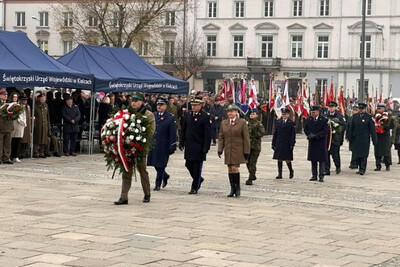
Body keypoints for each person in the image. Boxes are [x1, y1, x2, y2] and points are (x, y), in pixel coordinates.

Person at [114, 92, 155, 205]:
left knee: (142, 170)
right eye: (132, 101)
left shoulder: (148, 114)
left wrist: (138, 141)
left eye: (136, 101)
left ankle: (147, 193)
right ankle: (124, 197)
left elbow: (150, 132)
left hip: (140, 147)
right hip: (127, 147)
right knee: (126, 171)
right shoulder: (127, 113)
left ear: (142, 102)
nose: (134, 103)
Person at [179, 96, 212, 194]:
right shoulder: (188, 115)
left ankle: (194, 187)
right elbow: (184, 129)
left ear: (201, 106)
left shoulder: (205, 116)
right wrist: (181, 142)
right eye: (192, 105)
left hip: (199, 145)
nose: (193, 107)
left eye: (196, 105)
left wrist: (206, 147)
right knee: (188, 164)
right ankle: (198, 179)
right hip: (189, 145)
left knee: (197, 167)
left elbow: (207, 133)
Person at [218, 105, 250, 197]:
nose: (230, 113)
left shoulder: (242, 122)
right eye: (228, 112)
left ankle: (237, 187)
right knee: (229, 168)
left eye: (232, 112)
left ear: (236, 112)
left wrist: (246, 151)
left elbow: (246, 137)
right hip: (228, 149)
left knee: (234, 168)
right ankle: (232, 188)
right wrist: (220, 149)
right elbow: (221, 137)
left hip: (238, 149)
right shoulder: (224, 123)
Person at [147, 97, 177, 191]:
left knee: (161, 164)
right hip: (154, 143)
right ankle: (165, 175)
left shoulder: (170, 117)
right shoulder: (153, 115)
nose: (159, 107)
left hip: (163, 144)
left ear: (165, 106)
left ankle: (157, 184)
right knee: (155, 163)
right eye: (157, 105)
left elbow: (173, 133)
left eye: (161, 105)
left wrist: (173, 144)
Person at [347, 103, 377, 175]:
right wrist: (349, 137)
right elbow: (351, 128)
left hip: (364, 139)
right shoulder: (355, 116)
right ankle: (359, 167)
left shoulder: (368, 117)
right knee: (357, 154)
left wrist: (374, 139)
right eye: (359, 109)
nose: (360, 110)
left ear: (364, 109)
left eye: (362, 109)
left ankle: (362, 169)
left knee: (363, 155)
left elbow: (372, 129)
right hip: (356, 139)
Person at [304, 106, 328, 182]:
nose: (313, 114)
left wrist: (316, 136)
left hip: (320, 142)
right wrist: (309, 135)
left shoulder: (323, 120)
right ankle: (314, 175)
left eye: (314, 112)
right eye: (312, 113)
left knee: (321, 160)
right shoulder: (309, 119)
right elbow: (306, 129)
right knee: (313, 160)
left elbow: (325, 131)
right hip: (312, 142)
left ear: (318, 112)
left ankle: (321, 176)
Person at [272, 108, 296, 179]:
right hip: (279, 142)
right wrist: (273, 143)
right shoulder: (278, 122)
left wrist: (292, 144)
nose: (284, 115)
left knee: (287, 159)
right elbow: (275, 133)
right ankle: (280, 174)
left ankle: (291, 170)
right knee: (279, 158)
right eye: (283, 114)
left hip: (287, 143)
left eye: (285, 114)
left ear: (288, 115)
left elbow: (292, 135)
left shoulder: (291, 123)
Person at [324, 101, 346, 175]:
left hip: (335, 139)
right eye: (329, 107)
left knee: (335, 154)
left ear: (335, 107)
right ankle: (326, 169)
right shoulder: (325, 115)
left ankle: (337, 166)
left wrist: (337, 129)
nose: (331, 108)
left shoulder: (339, 116)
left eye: (332, 107)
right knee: (326, 154)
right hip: (327, 139)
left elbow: (343, 126)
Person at [373, 103, 396, 171]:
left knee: (386, 152)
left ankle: (387, 165)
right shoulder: (375, 116)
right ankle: (378, 165)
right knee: (377, 151)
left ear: (384, 108)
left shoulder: (388, 116)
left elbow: (392, 125)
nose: (378, 110)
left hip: (385, 136)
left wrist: (384, 126)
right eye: (378, 108)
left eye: (380, 108)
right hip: (377, 136)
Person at [245, 108, 265, 185]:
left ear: (257, 115)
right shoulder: (247, 123)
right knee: (247, 161)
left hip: (255, 146)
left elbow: (261, 133)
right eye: (251, 114)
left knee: (252, 162)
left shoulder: (259, 124)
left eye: (253, 114)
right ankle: (252, 174)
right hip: (248, 146)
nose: (251, 115)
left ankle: (250, 178)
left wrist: (254, 133)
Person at [10, 92, 26, 163]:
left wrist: (24, 123)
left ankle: (16, 155)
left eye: (16, 97)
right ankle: (12, 155)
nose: (15, 99)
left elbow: (23, 115)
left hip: (20, 125)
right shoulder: (10, 105)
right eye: (14, 97)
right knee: (13, 141)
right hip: (15, 124)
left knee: (18, 141)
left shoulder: (20, 106)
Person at [33, 93, 50, 158]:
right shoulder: (36, 105)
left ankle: (41, 151)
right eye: (42, 98)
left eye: (44, 98)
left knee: (44, 138)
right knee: (38, 138)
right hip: (38, 124)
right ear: (39, 98)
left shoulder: (46, 105)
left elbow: (47, 116)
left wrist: (48, 125)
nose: (43, 99)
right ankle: (36, 151)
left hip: (44, 124)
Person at [0, 88, 14, 164]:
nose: (5, 96)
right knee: (0, 143)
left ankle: (6, 157)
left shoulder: (9, 103)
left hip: (8, 126)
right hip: (1, 126)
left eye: (6, 95)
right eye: (4, 95)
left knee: (7, 143)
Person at [346, 104, 359, 169]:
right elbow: (348, 127)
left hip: (357, 137)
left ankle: (355, 163)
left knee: (356, 151)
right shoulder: (350, 118)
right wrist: (347, 136)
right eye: (353, 110)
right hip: (351, 137)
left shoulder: (359, 118)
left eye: (356, 110)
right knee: (353, 150)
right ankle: (353, 162)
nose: (354, 111)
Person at [19, 94, 31, 159]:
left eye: (26, 100)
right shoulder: (19, 106)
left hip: (27, 125)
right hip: (21, 125)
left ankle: (23, 152)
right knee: (21, 140)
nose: (25, 101)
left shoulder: (28, 107)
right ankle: (19, 152)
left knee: (26, 140)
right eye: (23, 100)